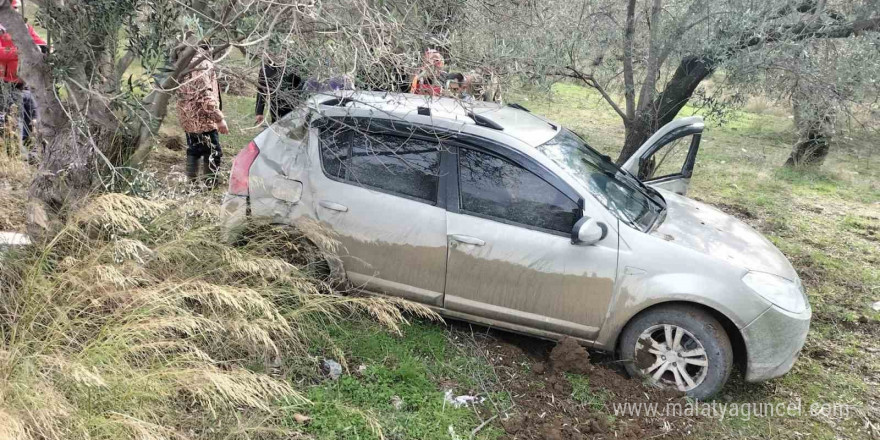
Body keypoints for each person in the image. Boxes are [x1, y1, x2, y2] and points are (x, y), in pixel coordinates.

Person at [0, 0, 47, 160]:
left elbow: (40, 43)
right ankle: (17, 155)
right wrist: (24, 50)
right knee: (16, 115)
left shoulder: (23, 27)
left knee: (32, 113)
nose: (15, 12)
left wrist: (45, 49)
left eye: (16, 9)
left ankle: (28, 151)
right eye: (12, 9)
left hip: (22, 83)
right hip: (4, 84)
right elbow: (2, 54)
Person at [176, 46, 228, 186]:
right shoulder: (202, 64)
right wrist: (219, 119)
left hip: (187, 117)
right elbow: (205, 96)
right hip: (203, 118)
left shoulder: (182, 61)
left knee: (194, 149)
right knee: (213, 152)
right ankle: (210, 184)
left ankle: (191, 183)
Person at [255, 60, 303, 125]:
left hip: (294, 106)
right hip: (276, 108)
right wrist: (259, 112)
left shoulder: (293, 65)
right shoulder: (266, 69)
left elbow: (300, 85)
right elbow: (261, 90)